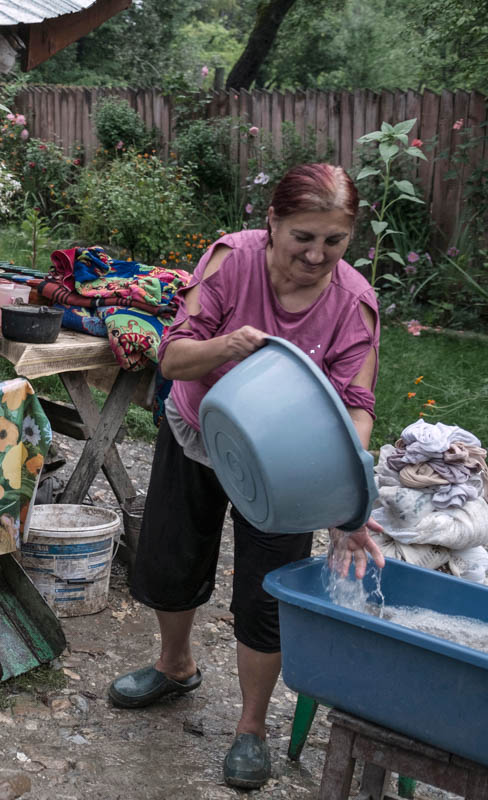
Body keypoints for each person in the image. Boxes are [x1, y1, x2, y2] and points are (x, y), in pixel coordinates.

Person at [107, 163, 388, 789]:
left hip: (288, 468)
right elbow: (173, 356)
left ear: (349, 239)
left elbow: (357, 409)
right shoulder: (231, 261)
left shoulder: (354, 304)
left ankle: (251, 728)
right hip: (202, 428)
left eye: (334, 241)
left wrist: (346, 492)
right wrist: (228, 346)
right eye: (302, 237)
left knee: (266, 594)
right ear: (273, 223)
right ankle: (175, 665)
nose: (316, 255)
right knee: (170, 558)